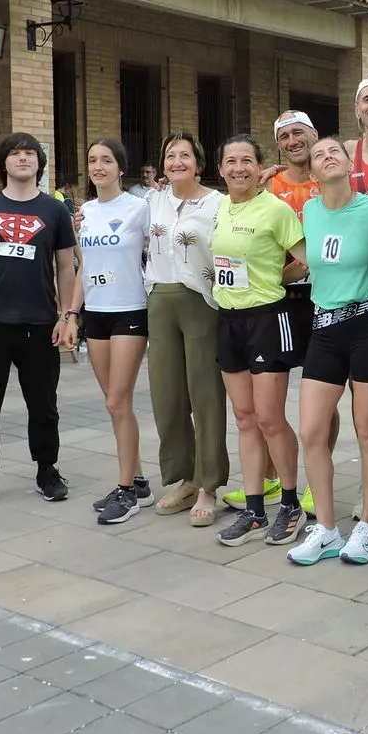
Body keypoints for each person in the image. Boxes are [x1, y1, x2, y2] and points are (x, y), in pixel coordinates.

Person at [0, 133, 79, 511]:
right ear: (3, 162)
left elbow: (65, 267)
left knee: (44, 405)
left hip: (40, 325)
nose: (23, 158)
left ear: (40, 163)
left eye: (30, 153)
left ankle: (47, 470)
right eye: (15, 153)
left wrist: (66, 315)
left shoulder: (55, 211)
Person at [289, 136, 368, 566]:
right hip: (324, 329)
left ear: (350, 164)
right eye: (319, 155)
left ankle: (367, 526)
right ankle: (327, 529)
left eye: (335, 152)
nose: (327, 157)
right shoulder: (309, 212)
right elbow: (297, 259)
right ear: (312, 170)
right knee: (312, 431)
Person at [210, 135, 309, 548]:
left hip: (268, 319)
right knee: (245, 418)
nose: (238, 168)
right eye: (230, 161)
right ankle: (254, 511)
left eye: (246, 161)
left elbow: (306, 259)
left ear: (259, 166)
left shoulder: (276, 209)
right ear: (221, 169)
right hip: (228, 320)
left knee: (269, 418)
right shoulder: (219, 207)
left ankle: (290, 503)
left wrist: (274, 279)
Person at [143, 132, 226, 526]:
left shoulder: (217, 203)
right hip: (159, 298)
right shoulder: (151, 200)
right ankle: (185, 478)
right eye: (170, 156)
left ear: (199, 163)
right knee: (167, 395)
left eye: (185, 156)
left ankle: (209, 483)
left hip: (201, 300)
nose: (177, 162)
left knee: (205, 394)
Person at [75, 137, 154, 527]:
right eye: (93, 160)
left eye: (106, 160)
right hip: (96, 314)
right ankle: (138, 483)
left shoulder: (139, 208)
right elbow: (82, 268)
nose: (98, 166)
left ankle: (126, 491)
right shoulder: (84, 213)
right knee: (113, 403)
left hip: (130, 311)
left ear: (121, 168)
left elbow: (159, 252)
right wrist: (71, 313)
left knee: (118, 400)